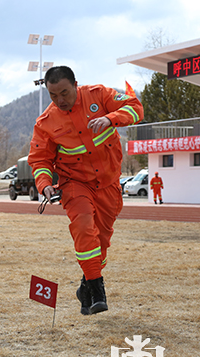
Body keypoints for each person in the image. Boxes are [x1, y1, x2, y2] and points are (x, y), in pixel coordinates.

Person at [28, 66, 143, 315]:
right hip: (75, 183)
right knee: (83, 227)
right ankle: (98, 289)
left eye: (65, 93)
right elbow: (39, 160)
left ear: (76, 85)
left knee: (100, 240)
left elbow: (135, 107)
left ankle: (85, 287)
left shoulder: (100, 95)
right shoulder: (45, 123)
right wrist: (45, 184)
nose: (60, 100)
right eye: (53, 95)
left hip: (109, 183)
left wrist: (110, 118)